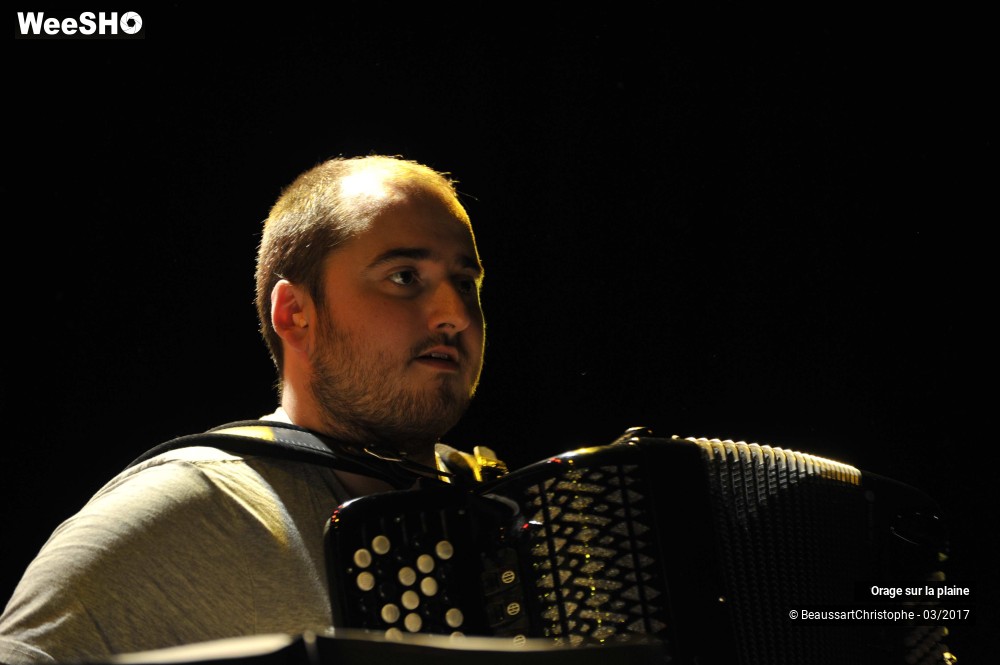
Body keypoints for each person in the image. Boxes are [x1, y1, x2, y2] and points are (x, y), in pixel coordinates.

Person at [0, 155, 487, 664]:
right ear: (295, 314)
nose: (454, 315)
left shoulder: (490, 509)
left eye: (464, 283)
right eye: (405, 277)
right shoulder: (189, 511)